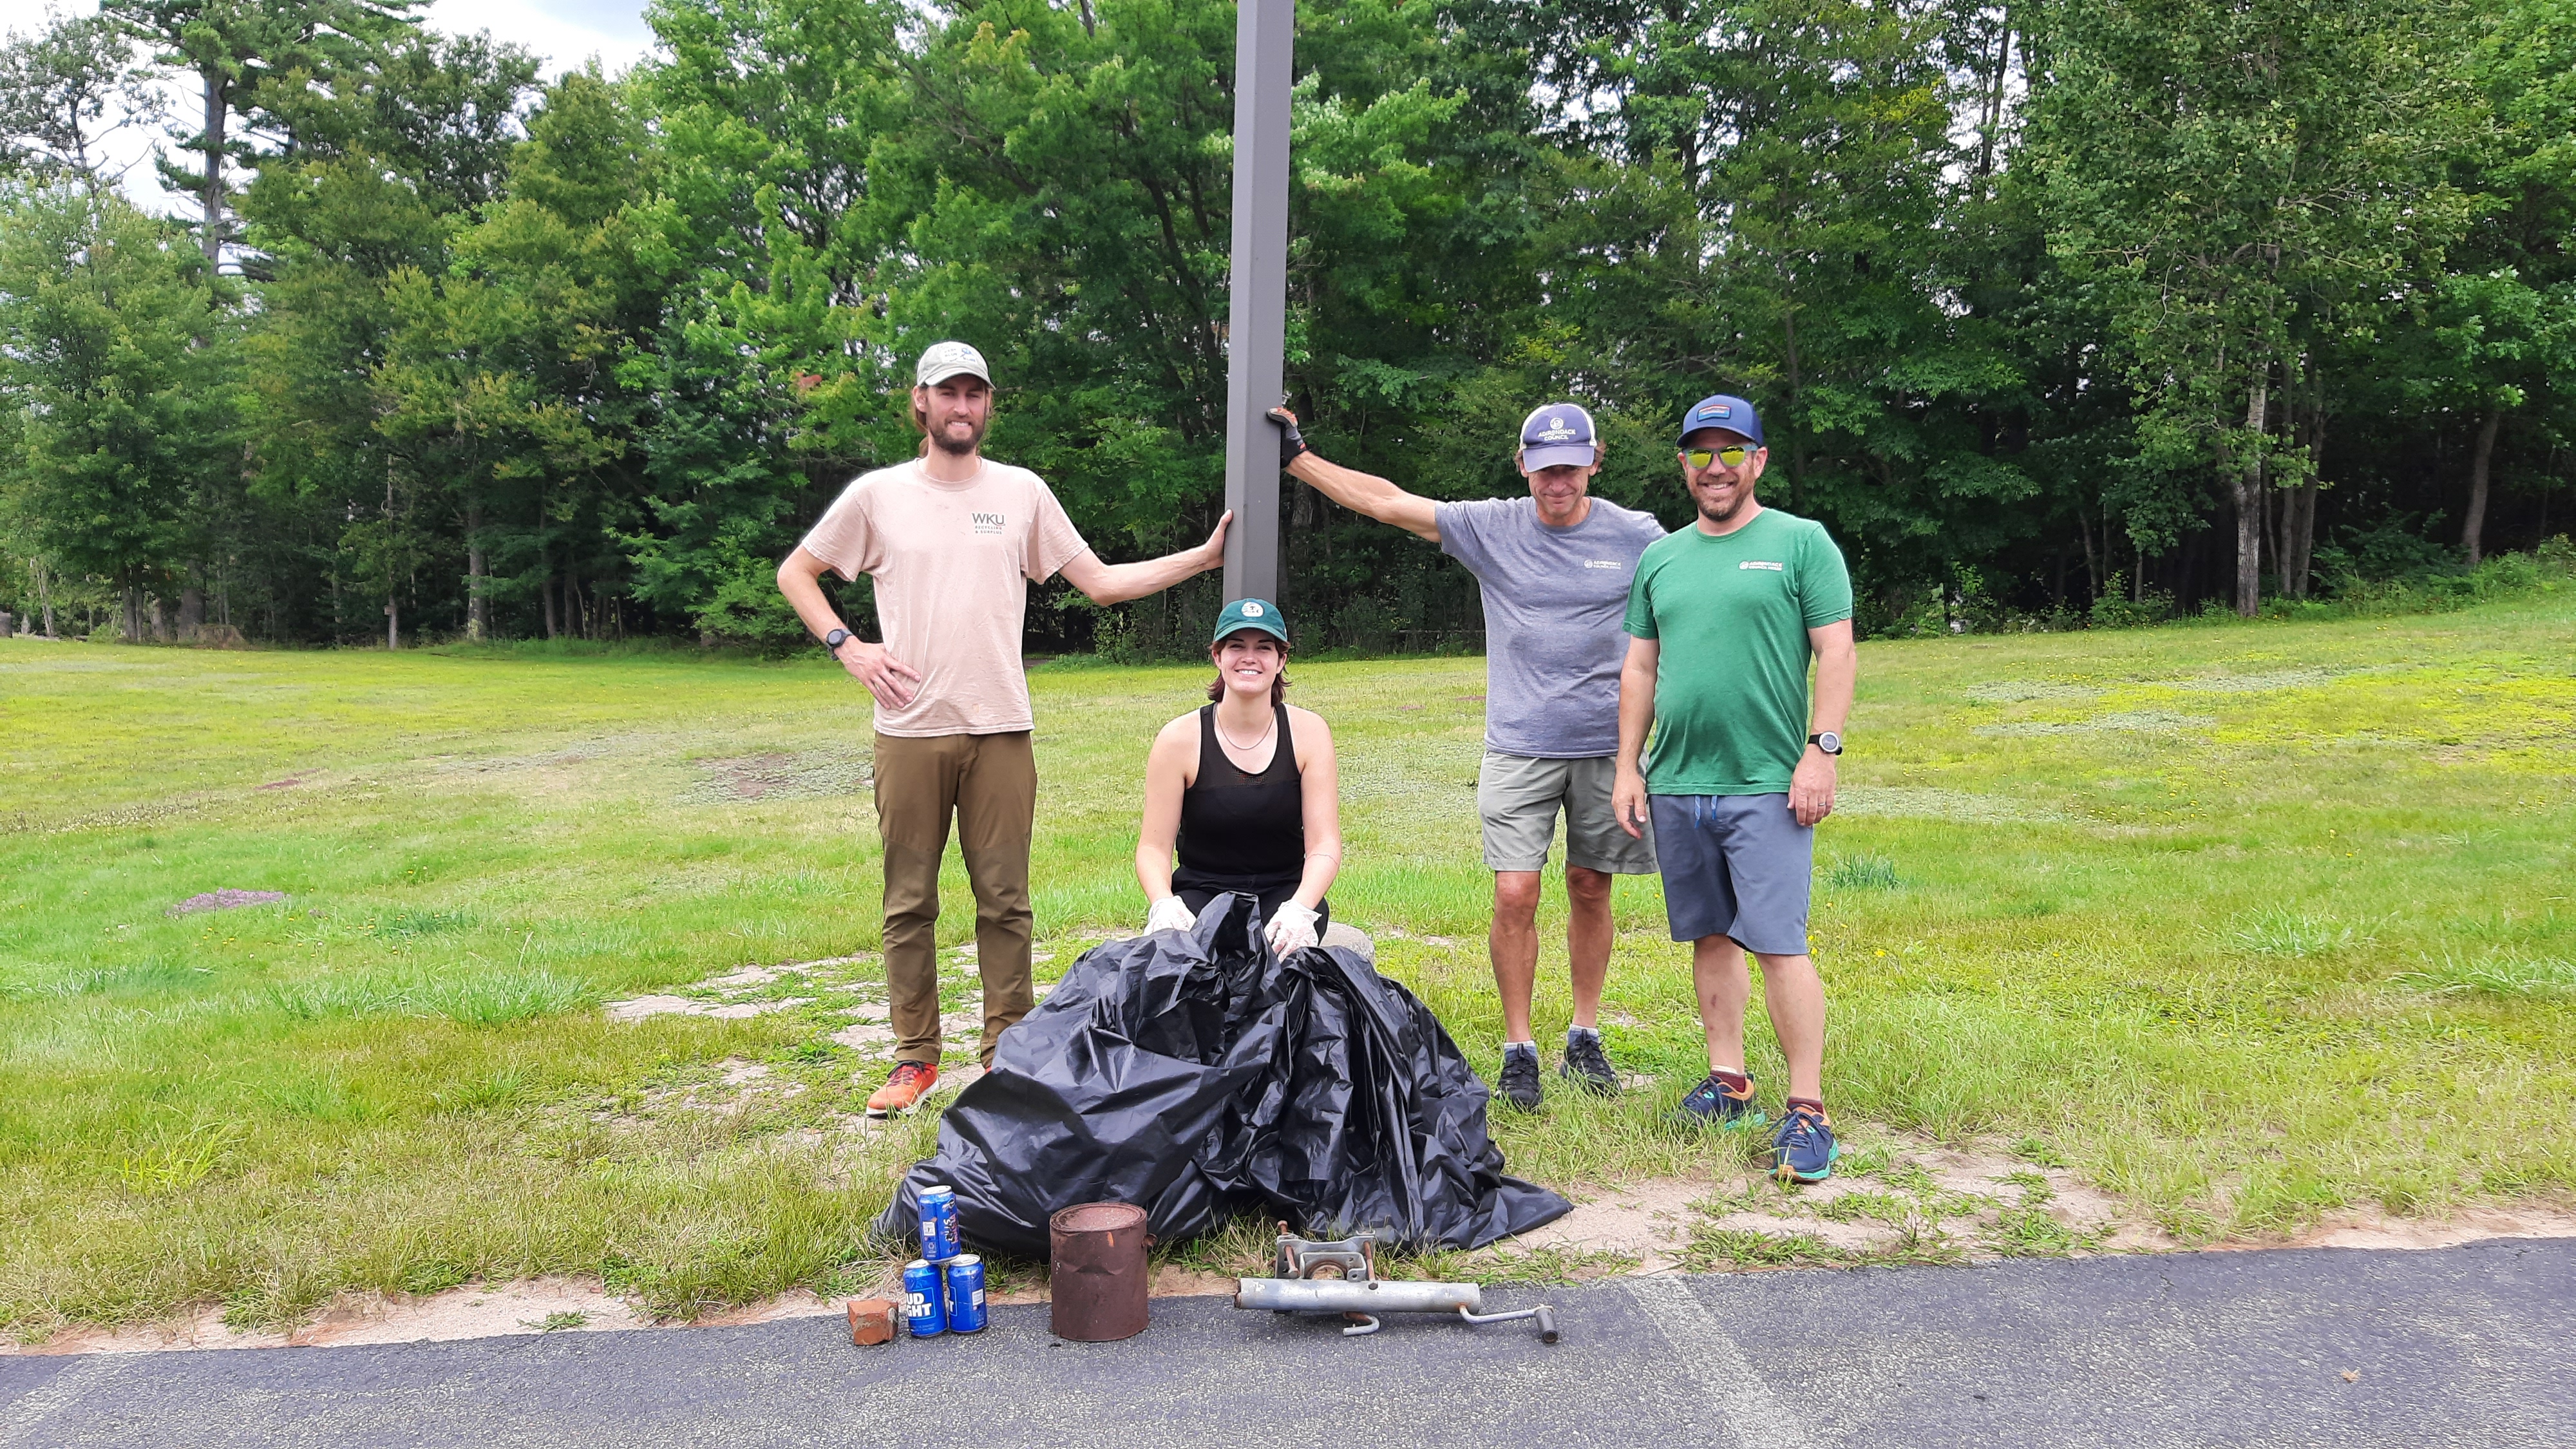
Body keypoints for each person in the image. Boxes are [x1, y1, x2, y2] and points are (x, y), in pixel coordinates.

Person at [777, 340, 1232, 1117]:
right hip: (909, 732)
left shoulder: (1020, 492)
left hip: (1001, 731)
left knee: (1005, 903)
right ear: (919, 403)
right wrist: (846, 647)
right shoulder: (877, 496)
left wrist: (1204, 556)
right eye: (946, 394)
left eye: (974, 395)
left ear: (988, 405)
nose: (961, 408)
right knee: (908, 903)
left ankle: (1007, 1057)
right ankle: (914, 1060)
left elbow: (1100, 583)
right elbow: (797, 572)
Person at [1269, 402, 1664, 1111]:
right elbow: (1389, 503)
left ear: (1594, 463)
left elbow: (1691, 599)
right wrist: (1298, 459)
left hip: (1609, 747)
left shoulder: (1637, 535)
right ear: (1523, 467)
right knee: (1516, 892)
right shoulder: (1493, 526)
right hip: (1518, 745)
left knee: (1589, 886)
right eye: (1544, 471)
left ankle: (1585, 1032)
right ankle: (1520, 1047)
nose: (1558, 483)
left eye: (1571, 469)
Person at [1611, 393, 1857, 1184]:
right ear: (1683, 464)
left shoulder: (1800, 543)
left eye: (1729, 453)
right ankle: (1730, 1082)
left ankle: (1808, 1111)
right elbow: (1640, 668)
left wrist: (1820, 753)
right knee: (1708, 936)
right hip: (1679, 784)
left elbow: (1837, 652)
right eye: (1698, 454)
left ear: (1757, 460)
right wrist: (1627, 766)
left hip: (1767, 785)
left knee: (1780, 944)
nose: (1713, 468)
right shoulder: (1662, 558)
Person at [1135, 598, 1342, 955]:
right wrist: (1163, 905)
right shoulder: (1178, 739)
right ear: (1217, 657)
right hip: (1201, 895)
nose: (1250, 657)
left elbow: (1324, 845)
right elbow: (1153, 847)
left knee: (1274, 966)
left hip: (1283, 896)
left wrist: (1302, 909)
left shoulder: (1310, 733)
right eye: (1236, 646)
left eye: (1264, 648)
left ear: (1281, 661)